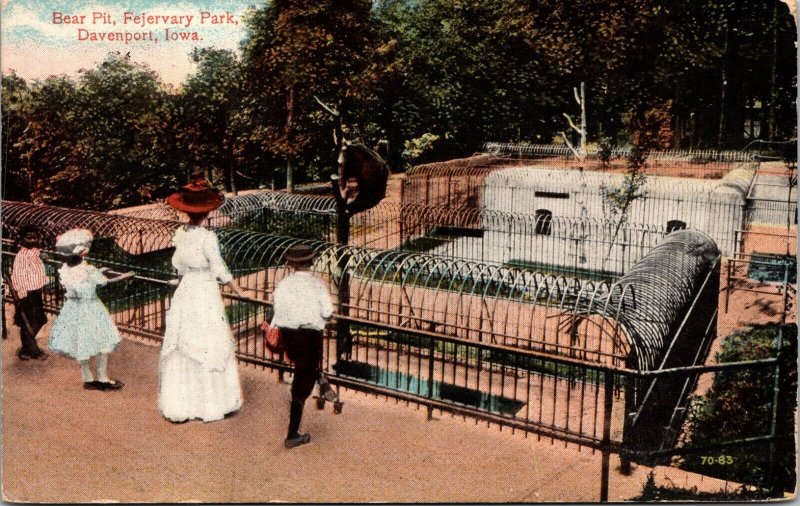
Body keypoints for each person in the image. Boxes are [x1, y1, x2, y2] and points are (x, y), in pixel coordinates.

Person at [158, 172, 244, 423]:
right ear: (207, 212)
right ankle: (212, 401)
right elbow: (220, 270)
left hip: (187, 289)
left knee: (185, 340)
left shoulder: (181, 234)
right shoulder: (208, 237)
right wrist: (240, 291)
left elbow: (178, 264)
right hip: (205, 290)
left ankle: (182, 402)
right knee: (208, 339)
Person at [48, 229, 133, 390]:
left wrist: (99, 271)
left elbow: (83, 281)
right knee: (103, 341)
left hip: (73, 308)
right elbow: (104, 282)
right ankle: (103, 378)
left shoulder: (65, 269)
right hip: (91, 307)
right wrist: (125, 276)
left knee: (82, 342)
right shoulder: (88, 270)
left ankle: (87, 377)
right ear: (82, 253)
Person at [271, 244, 336, 448]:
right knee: (301, 385)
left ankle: (318, 376)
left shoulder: (283, 285)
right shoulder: (317, 285)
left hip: (289, 336)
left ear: (291, 264)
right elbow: (327, 311)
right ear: (312, 262)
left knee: (301, 367)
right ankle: (292, 434)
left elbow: (276, 309)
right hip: (310, 336)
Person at [10, 225, 48, 360]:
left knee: (40, 319)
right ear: (21, 239)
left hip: (36, 291)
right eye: (29, 238)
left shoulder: (34, 252)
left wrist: (42, 255)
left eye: (34, 238)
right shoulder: (22, 256)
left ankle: (27, 347)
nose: (32, 240)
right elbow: (18, 276)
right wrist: (22, 295)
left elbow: (37, 256)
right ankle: (30, 350)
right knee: (29, 322)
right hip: (27, 293)